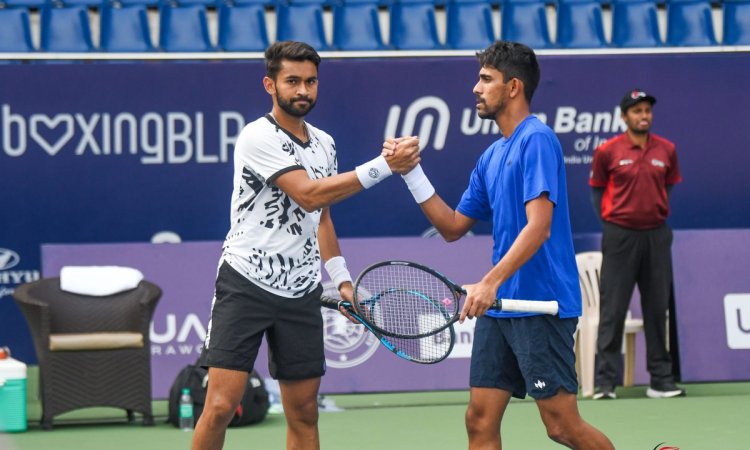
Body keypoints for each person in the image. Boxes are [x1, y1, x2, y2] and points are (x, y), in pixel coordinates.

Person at [191, 41, 420, 450]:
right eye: (292, 81)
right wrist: (385, 166)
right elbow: (309, 195)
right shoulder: (257, 136)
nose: (302, 90)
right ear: (270, 85)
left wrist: (342, 281)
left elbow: (322, 217)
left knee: (303, 412)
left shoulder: (325, 144)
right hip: (245, 283)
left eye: (310, 82)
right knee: (222, 406)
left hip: (301, 292)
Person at [385, 41, 614, 450]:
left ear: (513, 87)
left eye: (486, 79)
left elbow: (539, 227)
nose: (476, 88)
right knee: (479, 419)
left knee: (561, 426)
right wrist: (410, 172)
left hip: (540, 304)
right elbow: (452, 226)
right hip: (501, 308)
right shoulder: (491, 156)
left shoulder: (537, 140)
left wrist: (488, 282)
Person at [589, 89, 685, 400]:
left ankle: (661, 380)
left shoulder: (667, 150)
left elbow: (667, 188)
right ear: (624, 117)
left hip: (656, 236)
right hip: (620, 237)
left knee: (657, 308)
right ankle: (605, 383)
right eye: (637, 111)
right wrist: (615, 223)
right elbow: (597, 191)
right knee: (613, 309)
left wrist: (651, 214)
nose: (644, 116)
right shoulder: (607, 151)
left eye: (647, 110)